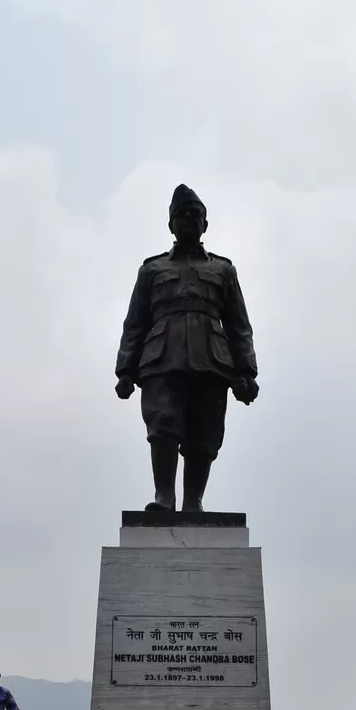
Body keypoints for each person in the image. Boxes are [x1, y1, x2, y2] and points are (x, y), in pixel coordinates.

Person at [115, 183, 259, 513]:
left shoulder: (223, 270)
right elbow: (134, 323)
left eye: (195, 214)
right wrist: (125, 369)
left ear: (205, 224)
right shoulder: (151, 270)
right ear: (170, 225)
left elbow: (239, 325)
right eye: (180, 214)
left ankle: (193, 502)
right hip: (161, 358)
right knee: (162, 424)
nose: (188, 219)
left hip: (211, 361)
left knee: (204, 432)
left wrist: (247, 371)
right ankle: (164, 496)